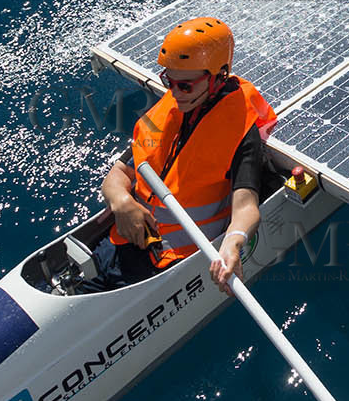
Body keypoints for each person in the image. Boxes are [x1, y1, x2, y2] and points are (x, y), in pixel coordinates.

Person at [87, 17, 275, 294]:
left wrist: (233, 243)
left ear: (219, 76)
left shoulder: (238, 130)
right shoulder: (170, 106)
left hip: (169, 265)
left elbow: (246, 207)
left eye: (185, 85)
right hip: (121, 240)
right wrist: (121, 201)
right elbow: (119, 173)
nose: (174, 92)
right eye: (168, 81)